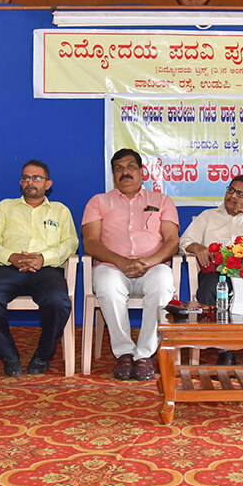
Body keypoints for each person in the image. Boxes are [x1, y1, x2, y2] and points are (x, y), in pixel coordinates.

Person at [82, 149, 179, 381]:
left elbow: (173, 241)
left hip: (151, 267)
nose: (125, 172)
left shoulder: (161, 201)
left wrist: (148, 262)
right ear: (114, 174)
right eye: (119, 168)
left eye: (130, 167)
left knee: (164, 279)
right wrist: (121, 262)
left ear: (141, 172)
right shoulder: (99, 201)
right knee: (106, 282)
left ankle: (144, 355)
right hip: (113, 267)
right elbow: (90, 242)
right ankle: (125, 353)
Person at [0, 160, 78, 376]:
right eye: (26, 178)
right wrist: (10, 256)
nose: (30, 182)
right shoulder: (5, 207)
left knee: (59, 302)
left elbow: (70, 243)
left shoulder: (60, 211)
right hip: (9, 267)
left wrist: (43, 258)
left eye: (37, 178)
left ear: (48, 184)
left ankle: (43, 355)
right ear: (20, 182)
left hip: (46, 270)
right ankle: (9, 355)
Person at [180, 174, 243, 365]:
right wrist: (198, 247)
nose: (233, 196)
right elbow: (185, 241)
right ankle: (224, 347)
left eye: (240, 194)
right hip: (218, 271)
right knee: (207, 291)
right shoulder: (208, 216)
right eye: (230, 190)